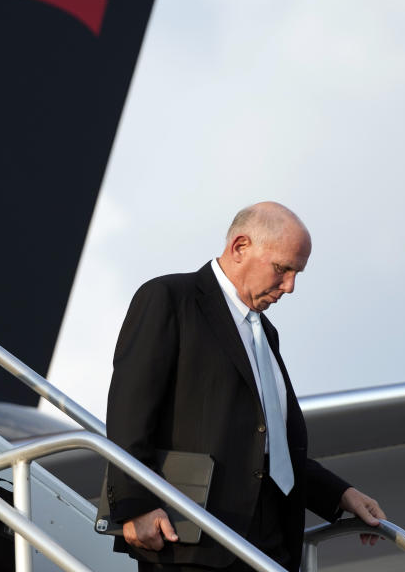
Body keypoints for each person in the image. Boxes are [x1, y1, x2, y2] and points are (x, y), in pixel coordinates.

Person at [105, 202, 385, 571]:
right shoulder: (170, 299)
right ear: (240, 247)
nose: (290, 287)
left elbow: (268, 446)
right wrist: (135, 504)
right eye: (282, 269)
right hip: (190, 540)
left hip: (268, 544)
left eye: (297, 273)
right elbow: (129, 413)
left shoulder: (265, 333)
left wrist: (339, 495)